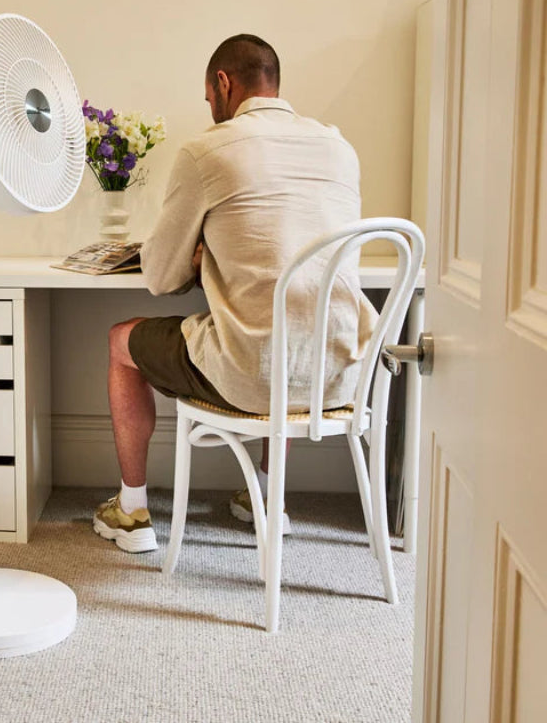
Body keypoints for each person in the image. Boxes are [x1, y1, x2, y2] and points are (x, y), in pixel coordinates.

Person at [92, 34, 377, 553]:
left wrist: (201, 257)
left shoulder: (209, 150)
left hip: (252, 375)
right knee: (289, 327)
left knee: (120, 341)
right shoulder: (340, 147)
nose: (211, 111)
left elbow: (158, 278)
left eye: (208, 99)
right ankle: (264, 497)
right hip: (339, 374)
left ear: (223, 83)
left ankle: (131, 511)